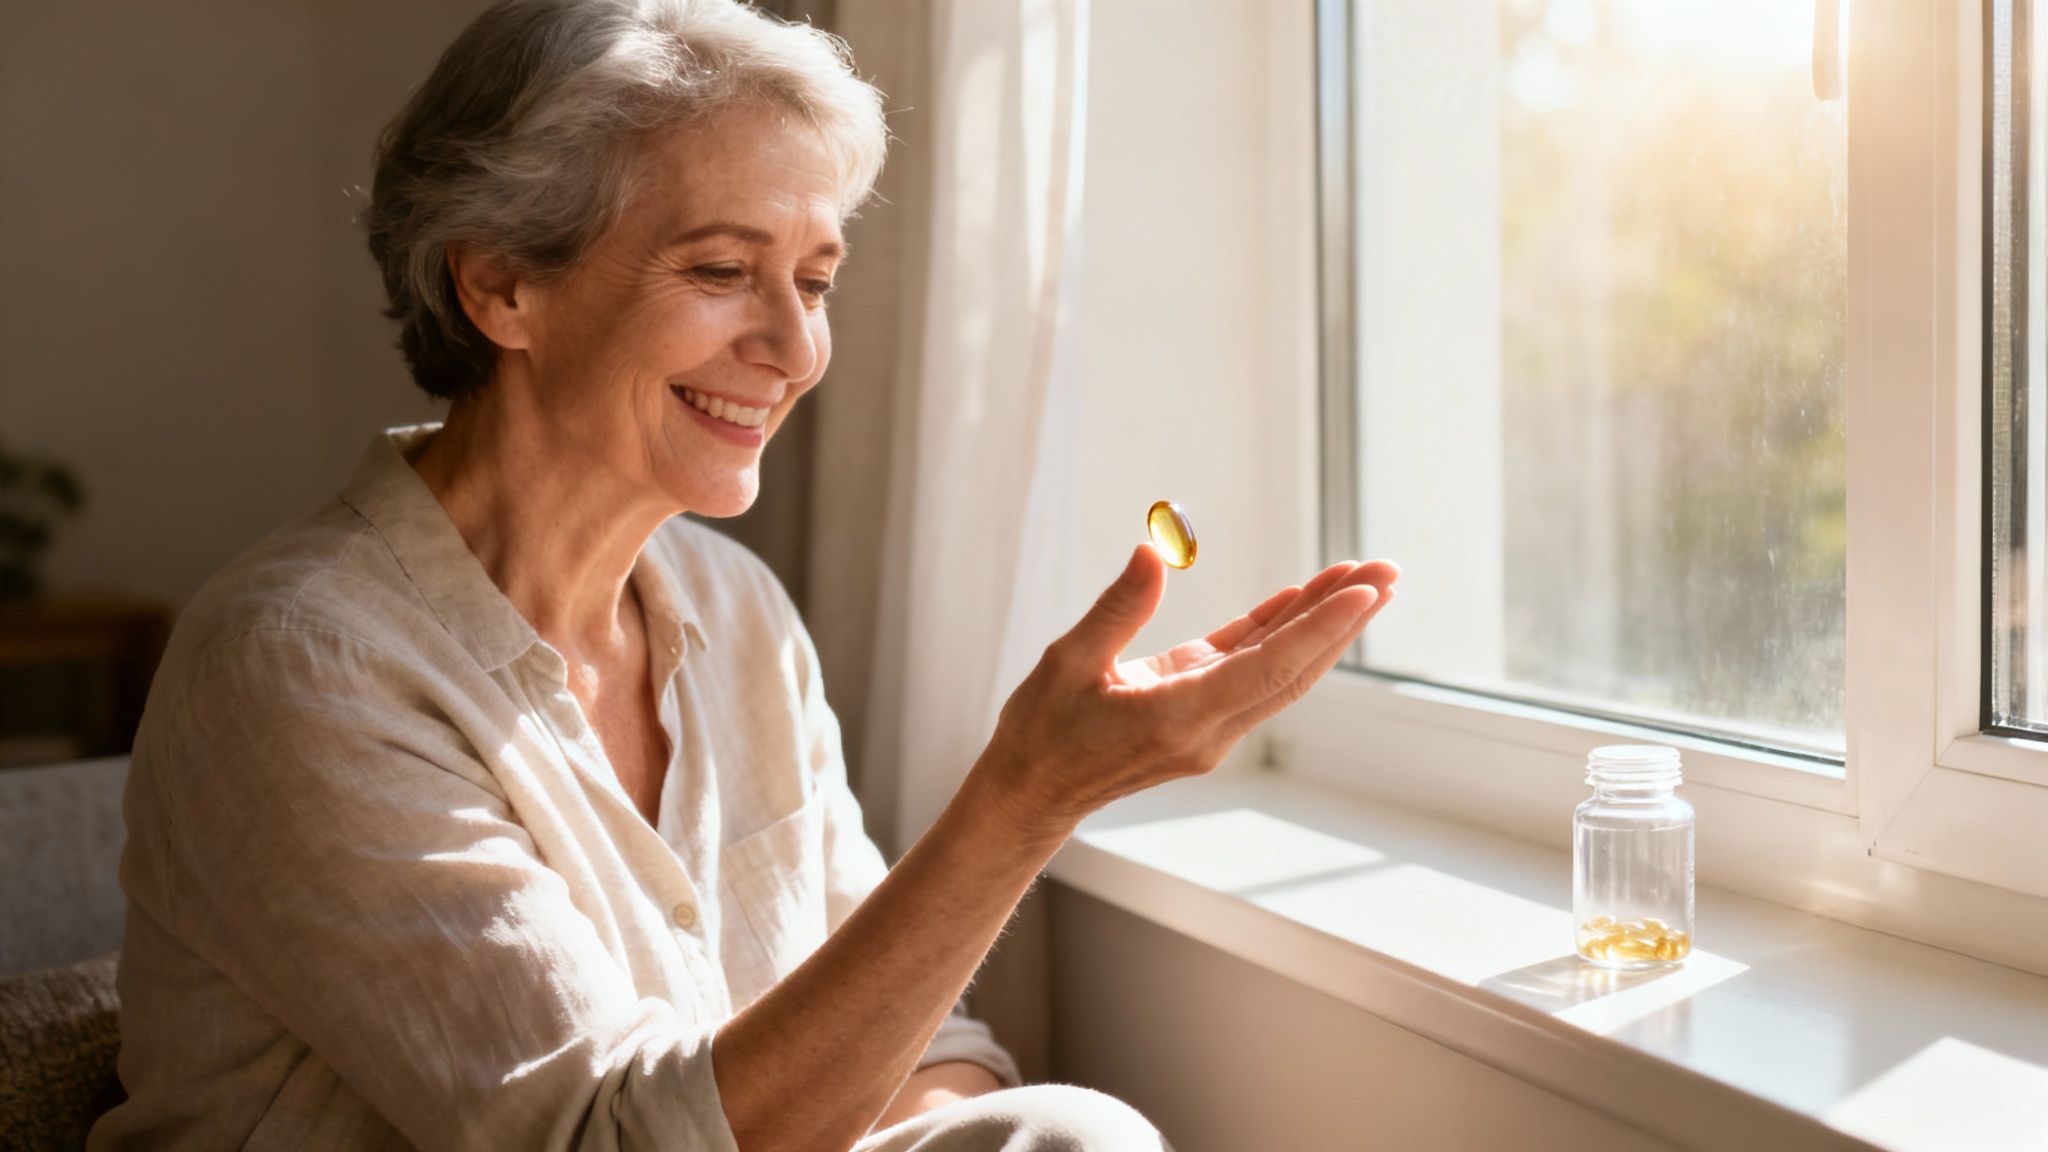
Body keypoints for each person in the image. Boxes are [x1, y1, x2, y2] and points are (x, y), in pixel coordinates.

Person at [87, 1, 1398, 1149]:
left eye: (814, 280)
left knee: (1073, 1135)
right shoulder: (298, 666)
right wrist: (1030, 793)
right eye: (721, 270)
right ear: (499, 286)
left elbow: (919, 1042)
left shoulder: (733, 610)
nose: (791, 346)